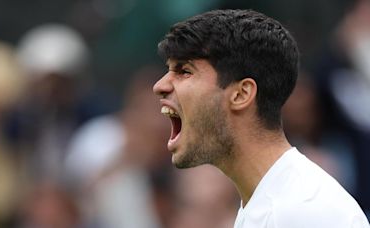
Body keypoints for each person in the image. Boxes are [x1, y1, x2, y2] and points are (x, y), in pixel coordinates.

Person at [152, 9, 370, 227]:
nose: (159, 86)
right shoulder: (270, 203)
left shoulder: (305, 213)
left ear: (241, 94)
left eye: (184, 71)